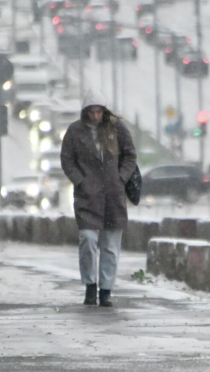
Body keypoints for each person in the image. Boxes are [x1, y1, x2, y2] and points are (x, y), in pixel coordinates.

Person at [60, 89, 137, 307]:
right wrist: (81, 181)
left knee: (111, 245)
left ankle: (105, 290)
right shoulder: (75, 131)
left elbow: (130, 154)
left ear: (104, 111)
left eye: (99, 112)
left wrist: (121, 178)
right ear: (85, 112)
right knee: (88, 239)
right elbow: (67, 160)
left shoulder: (116, 128)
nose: (95, 116)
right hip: (87, 196)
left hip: (113, 194)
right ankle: (90, 285)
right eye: (91, 112)